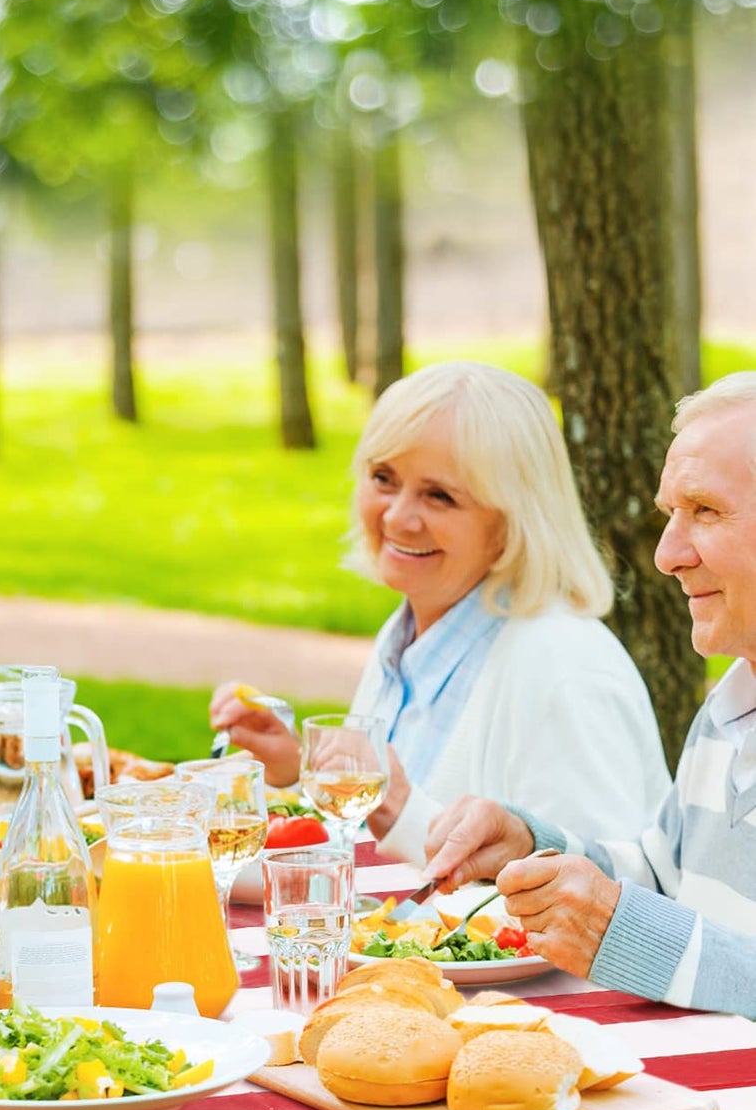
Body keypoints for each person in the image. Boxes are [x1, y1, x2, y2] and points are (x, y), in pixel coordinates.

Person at [209, 361, 669, 861]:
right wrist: (297, 770)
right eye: (383, 478)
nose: (397, 517)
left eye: (440, 496)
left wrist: (399, 809)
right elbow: (382, 868)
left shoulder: (566, 671)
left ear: (516, 520)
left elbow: (598, 904)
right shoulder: (411, 630)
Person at [422, 374, 756, 1018]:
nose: (666, 555)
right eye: (670, 516)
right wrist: (531, 848)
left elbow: (659, 930)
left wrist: (630, 935)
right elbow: (667, 880)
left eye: (706, 511)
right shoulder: (728, 712)